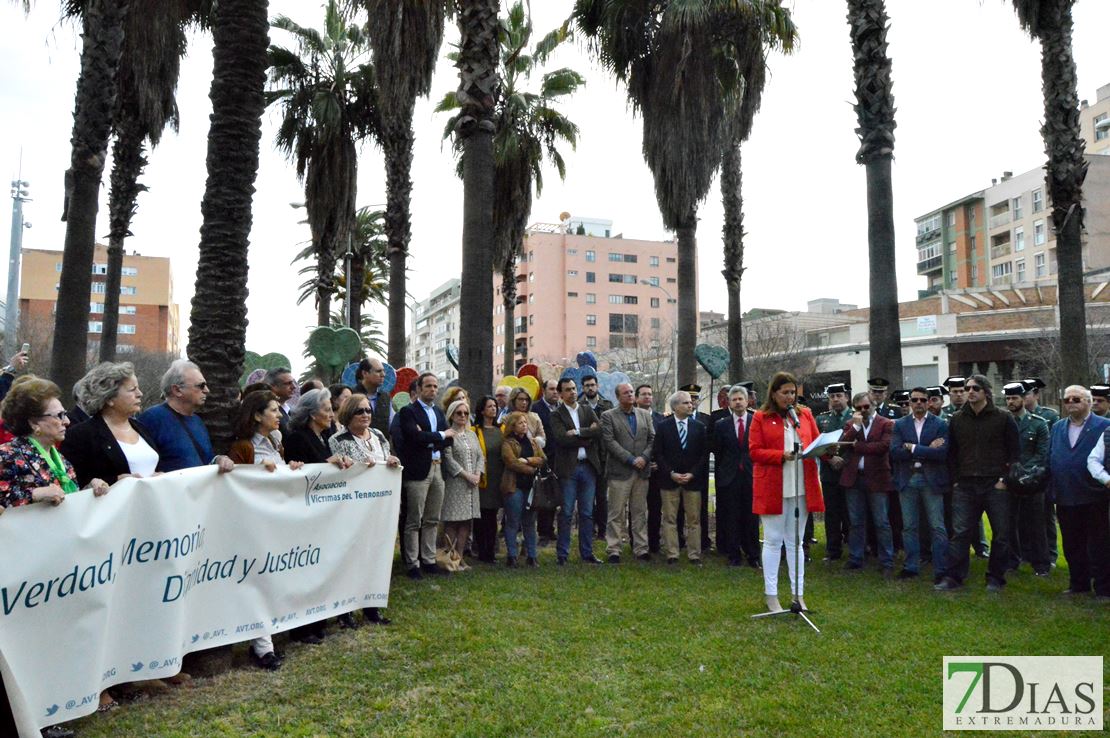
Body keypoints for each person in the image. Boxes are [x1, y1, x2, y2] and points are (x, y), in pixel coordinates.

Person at [227, 390, 305, 668]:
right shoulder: (243, 447)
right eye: (273, 410)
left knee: (271, 580)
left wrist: (291, 468)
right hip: (252, 526)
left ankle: (267, 641)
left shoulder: (275, 442)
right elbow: (235, 484)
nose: (279, 414)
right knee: (256, 582)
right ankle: (263, 648)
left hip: (276, 522)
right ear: (257, 415)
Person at [935, 375, 1020, 593]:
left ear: (986, 392)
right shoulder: (957, 419)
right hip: (965, 485)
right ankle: (953, 577)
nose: (969, 391)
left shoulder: (1003, 418)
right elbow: (951, 453)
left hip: (995, 484)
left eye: (975, 388)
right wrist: (955, 480)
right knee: (961, 532)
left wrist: (1004, 479)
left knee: (1001, 534)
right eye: (967, 388)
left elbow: (1015, 453)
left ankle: (995, 578)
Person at [748, 372, 824, 613]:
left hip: (801, 485)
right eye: (785, 393)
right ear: (774, 393)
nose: (790, 397)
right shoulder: (761, 417)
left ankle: (797, 594)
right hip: (773, 485)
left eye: (793, 393)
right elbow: (755, 451)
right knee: (773, 540)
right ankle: (771, 595)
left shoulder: (804, 415)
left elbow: (815, 440)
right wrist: (780, 455)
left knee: (796, 542)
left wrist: (828, 448)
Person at [283, 388, 354, 640]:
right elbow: (300, 476)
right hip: (304, 515)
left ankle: (318, 619)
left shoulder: (324, 437)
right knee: (305, 570)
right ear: (312, 413)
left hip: (323, 515)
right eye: (326, 409)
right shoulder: (297, 438)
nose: (331, 414)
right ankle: (301, 628)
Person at [328, 392, 399, 625]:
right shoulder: (338, 440)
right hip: (353, 508)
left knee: (376, 555)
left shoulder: (378, 434)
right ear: (349, 413)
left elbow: (388, 457)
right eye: (360, 410)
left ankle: (372, 606)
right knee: (352, 557)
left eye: (368, 410)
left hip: (380, 505)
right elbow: (340, 471)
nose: (366, 414)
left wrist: (391, 461)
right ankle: (345, 611)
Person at [1045, 385, 1110, 600]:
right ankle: (1078, 583)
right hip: (1065, 495)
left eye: (1076, 399)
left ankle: (1103, 587)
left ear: (1089, 402)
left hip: (1094, 495)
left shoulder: (1104, 426)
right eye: (1067, 400)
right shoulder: (1057, 427)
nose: (1071, 403)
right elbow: (1051, 456)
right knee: (1072, 543)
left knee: (1099, 543)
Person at [60, 362, 162, 488]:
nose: (140, 393)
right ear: (109, 399)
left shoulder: (140, 427)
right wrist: (114, 480)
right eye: (132, 390)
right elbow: (72, 483)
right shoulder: (81, 435)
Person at [398, 372, 456, 579]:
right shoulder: (408, 412)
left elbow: (450, 439)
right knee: (414, 519)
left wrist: (429, 438)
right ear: (419, 389)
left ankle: (429, 559)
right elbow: (413, 437)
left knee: (432, 518)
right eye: (428, 386)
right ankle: (412, 563)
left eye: (435, 386)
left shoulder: (439, 412)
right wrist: (438, 436)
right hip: (418, 472)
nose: (433, 389)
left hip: (437, 468)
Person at [889, 387, 949, 582]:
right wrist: (927, 449)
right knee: (909, 526)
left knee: (937, 526)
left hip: (930, 479)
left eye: (923, 400)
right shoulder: (900, 424)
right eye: (915, 400)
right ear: (910, 401)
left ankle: (941, 569)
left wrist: (913, 447)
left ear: (929, 402)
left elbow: (942, 454)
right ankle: (911, 567)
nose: (919, 403)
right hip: (908, 478)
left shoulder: (940, 424)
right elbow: (895, 452)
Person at [137, 360, 235, 474]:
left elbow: (205, 459)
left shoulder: (197, 421)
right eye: (201, 386)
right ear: (177, 390)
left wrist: (219, 459)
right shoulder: (152, 419)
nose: (207, 390)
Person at [839, 391, 896, 576]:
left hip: (878, 477)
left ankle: (886, 560)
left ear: (873, 405)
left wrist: (859, 446)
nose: (863, 410)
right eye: (859, 408)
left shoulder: (885, 423)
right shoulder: (850, 424)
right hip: (854, 478)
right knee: (855, 522)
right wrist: (855, 428)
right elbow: (842, 444)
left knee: (881, 521)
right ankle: (856, 558)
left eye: (866, 406)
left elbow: (883, 446)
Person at [550, 377, 603, 565]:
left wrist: (579, 432)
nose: (572, 392)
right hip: (568, 469)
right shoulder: (556, 415)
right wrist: (586, 436)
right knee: (566, 512)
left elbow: (599, 430)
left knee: (587, 512)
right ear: (561, 393)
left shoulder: (587, 410)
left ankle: (587, 553)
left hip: (588, 466)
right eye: (568, 389)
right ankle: (562, 554)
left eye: (574, 388)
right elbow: (561, 438)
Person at [652, 390, 708, 565]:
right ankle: (672, 553)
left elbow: (704, 455)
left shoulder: (699, 427)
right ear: (675, 406)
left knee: (694, 519)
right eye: (685, 403)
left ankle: (694, 554)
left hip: (693, 481)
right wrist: (671, 473)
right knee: (669, 518)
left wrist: (692, 473)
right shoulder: (663, 426)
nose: (690, 405)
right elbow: (658, 454)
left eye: (691, 402)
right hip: (669, 481)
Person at [600, 382, 655, 563]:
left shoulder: (645, 415)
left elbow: (652, 439)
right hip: (620, 472)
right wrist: (631, 459)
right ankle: (614, 549)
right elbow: (609, 442)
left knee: (639, 512)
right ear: (618, 396)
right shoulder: (608, 416)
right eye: (626, 393)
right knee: (616, 513)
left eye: (632, 392)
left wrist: (644, 458)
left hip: (641, 472)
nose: (630, 395)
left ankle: (641, 548)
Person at [1001, 381, 1051, 577]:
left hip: (1032, 482)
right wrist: (1011, 473)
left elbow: (1042, 453)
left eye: (1014, 398)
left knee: (1037, 524)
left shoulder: (1038, 423)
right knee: (1009, 524)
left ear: (1023, 399)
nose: (1011, 402)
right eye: (1008, 398)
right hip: (1009, 480)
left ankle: (1041, 564)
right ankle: (1013, 560)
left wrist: (1025, 473)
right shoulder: (1003, 422)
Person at [712, 384, 759, 567]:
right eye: (734, 399)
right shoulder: (721, 425)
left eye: (741, 399)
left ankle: (753, 555)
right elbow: (718, 451)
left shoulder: (757, 421)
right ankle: (734, 555)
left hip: (751, 475)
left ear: (747, 401)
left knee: (751, 518)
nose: (738, 402)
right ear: (729, 403)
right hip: (729, 477)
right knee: (731, 517)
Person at [441, 399, 483, 570]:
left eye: (466, 413)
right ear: (451, 414)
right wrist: (467, 475)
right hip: (456, 482)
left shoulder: (472, 434)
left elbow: (480, 456)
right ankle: (450, 557)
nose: (463, 416)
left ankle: (460, 557)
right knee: (452, 521)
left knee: (466, 521)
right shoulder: (447, 434)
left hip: (472, 484)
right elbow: (448, 459)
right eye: (459, 413)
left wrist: (478, 474)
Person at [501, 411, 546, 567]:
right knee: (513, 521)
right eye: (520, 423)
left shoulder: (533, 442)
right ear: (513, 426)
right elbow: (511, 462)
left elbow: (542, 459)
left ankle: (532, 555)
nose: (524, 425)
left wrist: (527, 460)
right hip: (514, 487)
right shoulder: (508, 443)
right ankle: (512, 555)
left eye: (525, 423)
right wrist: (531, 469)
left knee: (529, 521)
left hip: (531, 488)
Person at [815, 382, 852, 562]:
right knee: (832, 514)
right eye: (832, 397)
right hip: (829, 473)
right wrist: (829, 459)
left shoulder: (856, 417)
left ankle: (855, 549)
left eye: (839, 396)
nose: (836, 400)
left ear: (847, 397)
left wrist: (845, 461)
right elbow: (816, 445)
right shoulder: (821, 420)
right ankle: (833, 550)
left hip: (850, 473)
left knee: (851, 513)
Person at [581, 373, 614, 539]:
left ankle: (602, 530)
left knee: (602, 496)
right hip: (585, 456)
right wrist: (591, 430)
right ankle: (589, 529)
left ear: (597, 386)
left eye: (592, 385)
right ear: (583, 388)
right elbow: (578, 431)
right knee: (587, 497)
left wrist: (594, 428)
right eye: (587, 385)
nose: (590, 388)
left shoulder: (607, 405)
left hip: (603, 456)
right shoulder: (579, 406)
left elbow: (608, 429)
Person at [471, 395, 504, 564]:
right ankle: (481, 550)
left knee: (492, 516)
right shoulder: (475, 431)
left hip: (498, 479)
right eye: (490, 406)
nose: (494, 409)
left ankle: (490, 551)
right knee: (481, 516)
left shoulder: (502, 429)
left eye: (495, 406)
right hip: (482, 479)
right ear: (482, 410)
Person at [636, 383, 666, 554]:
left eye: (650, 394)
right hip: (638, 468)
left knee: (655, 509)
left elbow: (662, 444)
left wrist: (658, 463)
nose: (647, 397)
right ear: (637, 398)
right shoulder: (632, 417)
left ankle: (654, 544)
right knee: (638, 509)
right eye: (644, 394)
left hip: (656, 471)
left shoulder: (661, 418)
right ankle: (637, 543)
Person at [531, 378, 561, 543]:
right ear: (544, 390)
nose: (555, 392)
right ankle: (543, 530)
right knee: (544, 493)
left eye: (557, 389)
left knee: (556, 494)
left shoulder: (562, 408)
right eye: (551, 389)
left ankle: (551, 528)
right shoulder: (536, 409)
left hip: (560, 458)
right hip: (543, 457)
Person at [354, 357, 395, 436]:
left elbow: (393, 424)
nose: (383, 375)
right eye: (378, 371)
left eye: (383, 371)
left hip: (381, 446)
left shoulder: (385, 397)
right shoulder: (352, 395)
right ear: (365, 373)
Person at [265, 367, 297, 438]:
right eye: (288, 383)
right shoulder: (268, 413)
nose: (294, 387)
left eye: (293, 382)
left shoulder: (292, 411)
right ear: (273, 386)